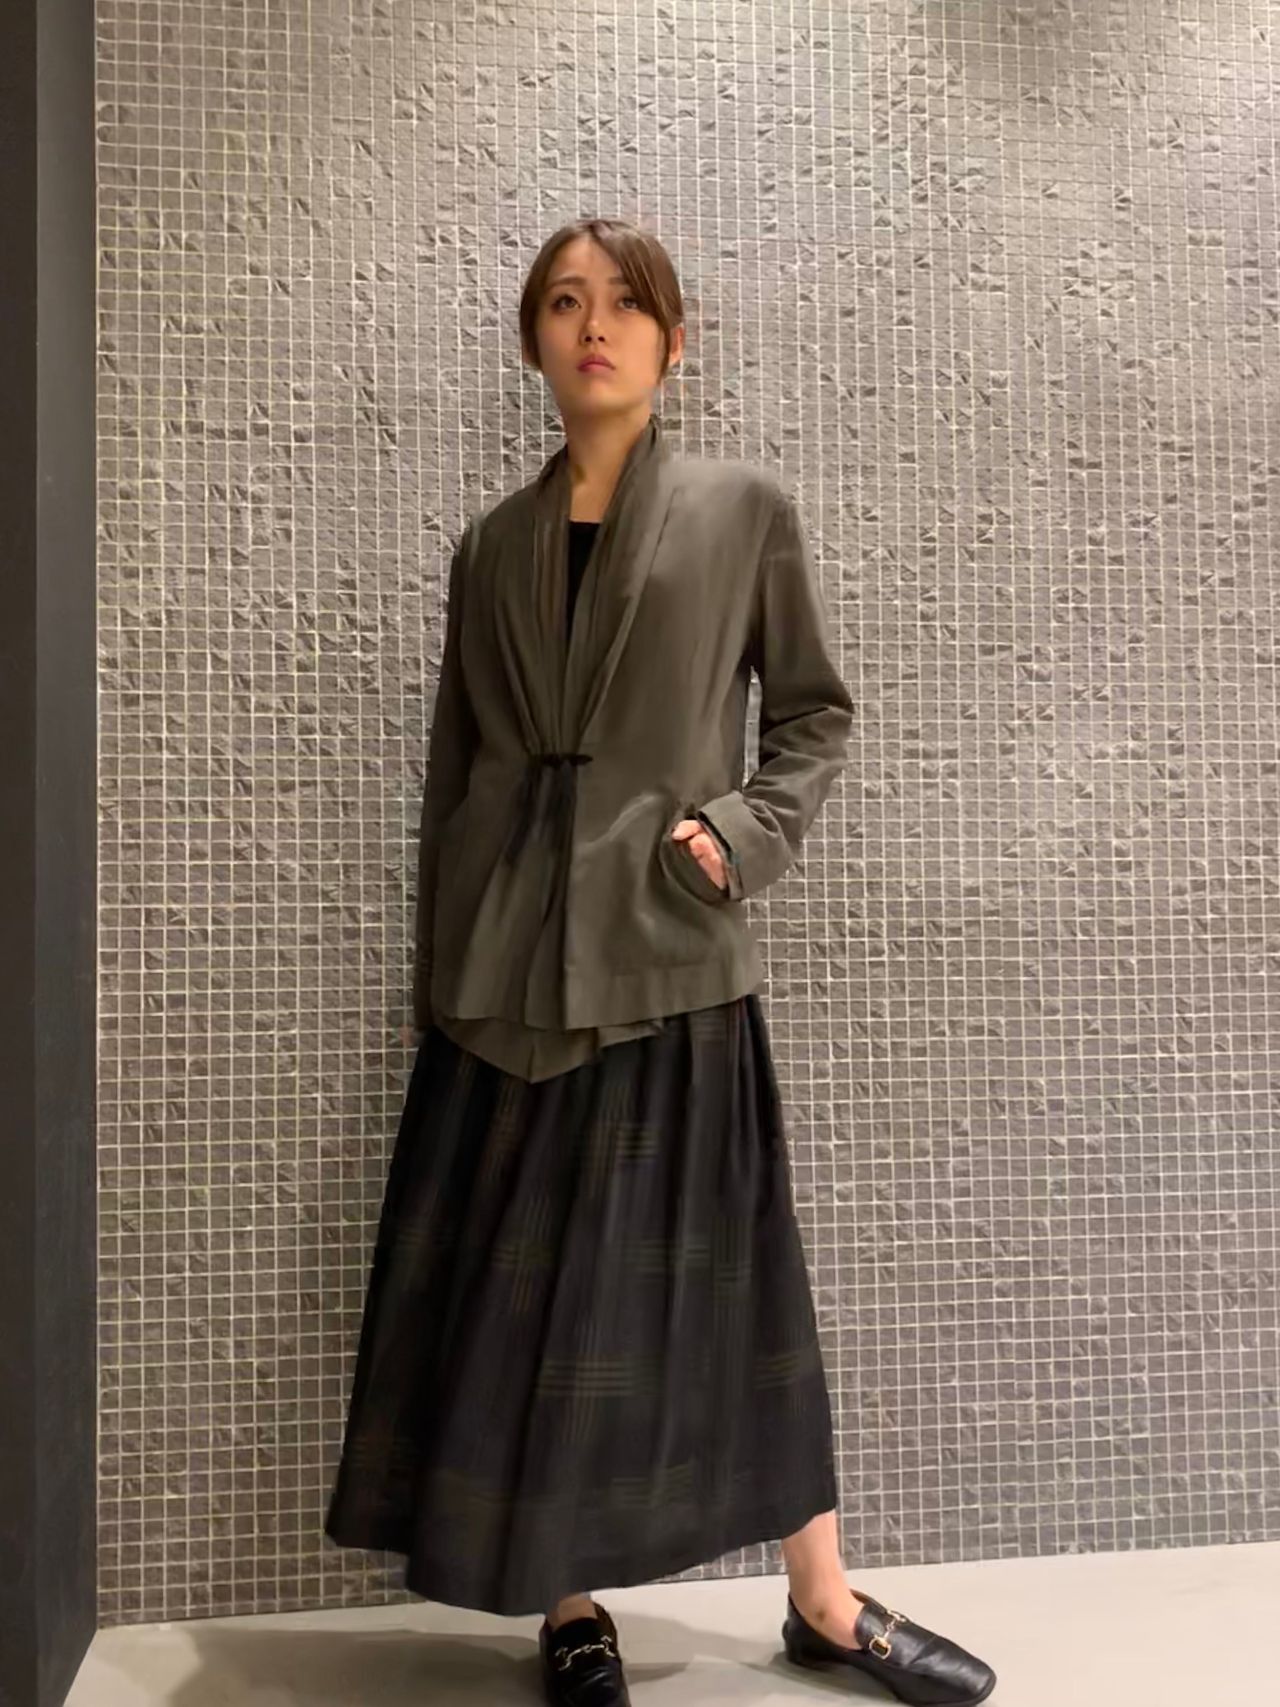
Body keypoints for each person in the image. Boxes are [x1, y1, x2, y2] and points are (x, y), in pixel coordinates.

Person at [324, 217, 996, 1707]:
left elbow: (813, 716)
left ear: (673, 343)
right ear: (534, 343)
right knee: (532, 1304)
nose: (595, 326)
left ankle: (824, 1600)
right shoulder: (491, 546)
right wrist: (446, 961)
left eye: (626, 305)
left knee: (744, 1291)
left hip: (670, 954)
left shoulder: (740, 510)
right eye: (566, 303)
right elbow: (454, 770)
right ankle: (571, 1609)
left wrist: (738, 837)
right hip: (505, 979)